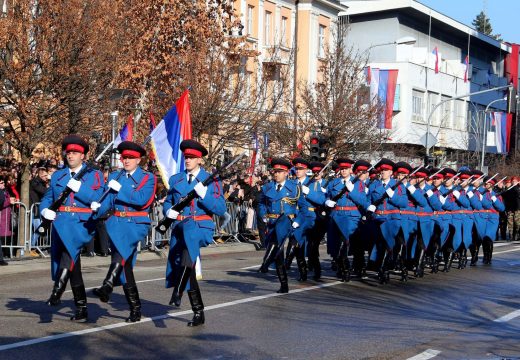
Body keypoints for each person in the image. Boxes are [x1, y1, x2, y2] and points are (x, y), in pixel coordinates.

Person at [40, 135, 104, 322]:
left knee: (70, 254)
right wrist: (44, 210)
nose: (71, 155)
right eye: (68, 152)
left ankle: (56, 293)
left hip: (81, 223)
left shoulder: (94, 174)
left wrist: (80, 189)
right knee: (73, 266)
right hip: (61, 222)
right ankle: (82, 308)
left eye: (75, 153)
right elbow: (48, 197)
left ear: (83, 156)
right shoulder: (58, 175)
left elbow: (99, 198)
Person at [90, 141, 156, 322]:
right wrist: (97, 208)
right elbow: (107, 200)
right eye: (124, 157)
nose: (126, 160)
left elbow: (144, 200)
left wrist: (122, 189)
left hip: (135, 223)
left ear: (139, 159)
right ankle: (135, 309)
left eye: (131, 158)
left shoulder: (147, 177)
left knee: (121, 253)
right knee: (125, 266)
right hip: (117, 223)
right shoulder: (115, 176)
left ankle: (108, 284)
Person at [164, 139, 226, 326]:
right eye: (186, 157)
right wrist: (169, 210)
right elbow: (169, 200)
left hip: (200, 226)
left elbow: (220, 207)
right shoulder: (177, 179)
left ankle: (178, 292)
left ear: (200, 160)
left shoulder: (211, 180)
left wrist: (205, 195)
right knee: (186, 263)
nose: (188, 160)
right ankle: (198, 311)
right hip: (181, 226)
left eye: (192, 157)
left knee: (187, 254)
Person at [257, 158, 306, 293]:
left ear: (286, 173)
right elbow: (261, 204)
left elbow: (303, 209)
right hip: (271, 223)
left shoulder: (295, 188)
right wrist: (263, 215)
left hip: (287, 222)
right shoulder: (267, 187)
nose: (276, 174)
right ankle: (284, 284)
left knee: (277, 241)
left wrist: (298, 221)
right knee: (279, 255)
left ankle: (266, 263)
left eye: (280, 172)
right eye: (275, 171)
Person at [29, 167, 49, 256]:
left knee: (41, 228)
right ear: (40, 175)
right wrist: (49, 187)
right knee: (39, 228)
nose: (46, 177)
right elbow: (44, 191)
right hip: (34, 209)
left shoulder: (42, 182)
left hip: (38, 209)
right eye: (45, 175)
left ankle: (41, 247)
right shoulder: (35, 182)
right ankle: (32, 248)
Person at [0, 176, 14, 265]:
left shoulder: (4, 191)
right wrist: (9, 201)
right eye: (1, 183)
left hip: (5, 217)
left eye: (3, 182)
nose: (3, 184)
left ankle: (1, 258)